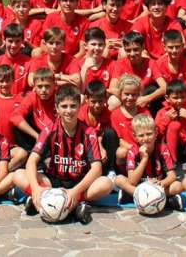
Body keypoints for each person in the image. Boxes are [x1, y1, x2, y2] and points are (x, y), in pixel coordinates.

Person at [16, 84, 113, 225]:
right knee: (18, 175)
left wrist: (74, 191)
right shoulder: (49, 131)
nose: (69, 111)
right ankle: (68, 204)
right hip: (53, 182)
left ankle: (54, 202)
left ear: (80, 107)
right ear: (57, 108)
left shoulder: (88, 132)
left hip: (79, 183)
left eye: (73, 106)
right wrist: (36, 189)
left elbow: (97, 169)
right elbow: (31, 161)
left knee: (106, 184)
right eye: (64, 106)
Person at [115, 113, 184, 209]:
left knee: (178, 185)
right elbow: (132, 181)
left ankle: (133, 197)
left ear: (156, 133)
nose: (146, 138)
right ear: (135, 136)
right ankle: (166, 201)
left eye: (149, 134)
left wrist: (162, 183)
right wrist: (144, 159)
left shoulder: (162, 149)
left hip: (158, 187)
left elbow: (172, 175)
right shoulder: (132, 151)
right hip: (139, 187)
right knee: (119, 179)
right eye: (141, 135)